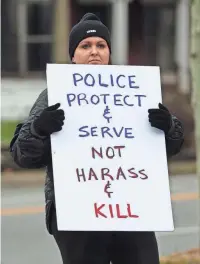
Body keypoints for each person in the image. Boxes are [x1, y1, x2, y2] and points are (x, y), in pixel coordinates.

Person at [10, 13, 184, 264]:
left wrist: (168, 126)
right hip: (77, 212)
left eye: (101, 46)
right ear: (73, 55)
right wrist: (38, 129)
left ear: (109, 52)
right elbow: (22, 154)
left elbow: (168, 147)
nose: (94, 52)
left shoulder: (133, 91)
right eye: (85, 46)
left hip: (131, 208)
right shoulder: (56, 93)